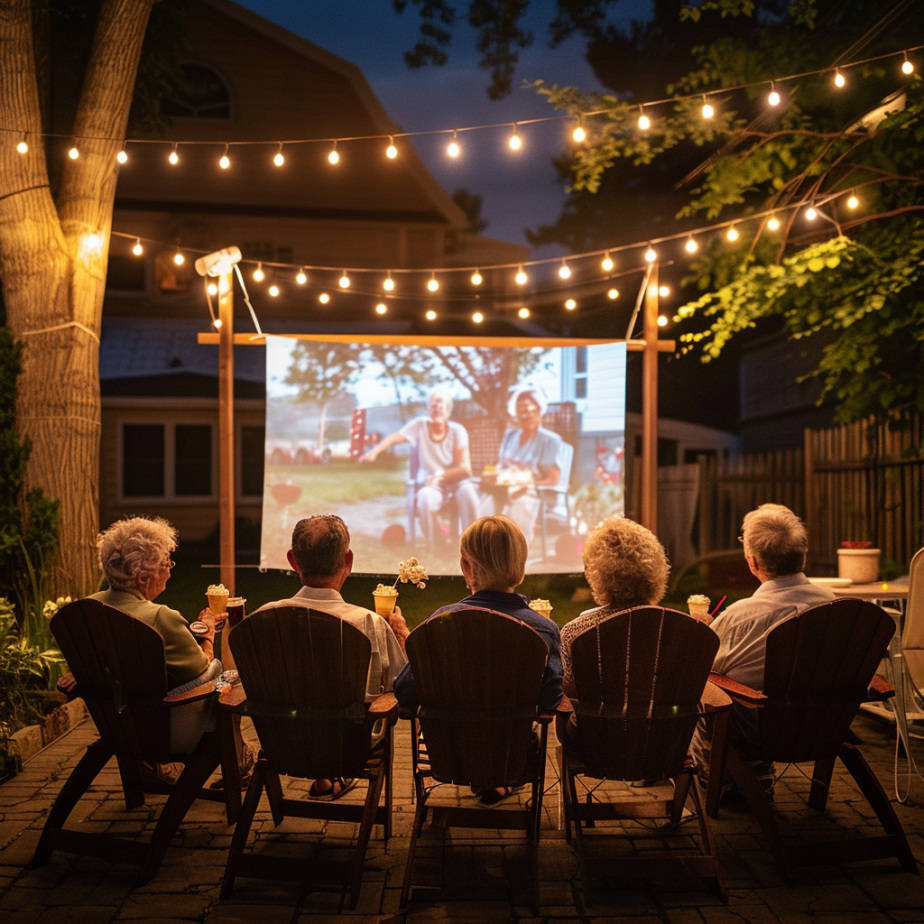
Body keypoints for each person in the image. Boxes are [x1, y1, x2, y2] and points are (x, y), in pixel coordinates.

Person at [394, 515, 563, 804]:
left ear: (466, 566)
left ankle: (490, 785)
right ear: (520, 567)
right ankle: (498, 783)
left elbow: (404, 691)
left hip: (448, 753)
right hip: (513, 756)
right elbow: (550, 701)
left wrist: (410, 644)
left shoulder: (440, 623)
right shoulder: (542, 629)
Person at [251, 514, 409, 800]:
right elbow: (402, 688)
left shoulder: (263, 619)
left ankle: (325, 781)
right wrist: (401, 637)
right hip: (351, 746)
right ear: (348, 561)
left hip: (283, 741)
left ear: (293, 560)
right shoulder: (369, 623)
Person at [693, 503, 835, 794]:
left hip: (760, 731)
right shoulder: (834, 606)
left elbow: (703, 669)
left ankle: (714, 778)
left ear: (753, 563)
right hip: (826, 726)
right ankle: (751, 774)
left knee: (699, 688)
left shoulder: (740, 617)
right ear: (803, 555)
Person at [91, 517, 223, 755]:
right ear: (142, 578)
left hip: (115, 728)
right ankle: (239, 762)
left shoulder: (87, 609)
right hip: (165, 734)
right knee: (225, 682)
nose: (170, 573)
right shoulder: (160, 618)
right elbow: (202, 671)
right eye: (166, 564)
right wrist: (208, 635)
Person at [559, 516, 670, 696]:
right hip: (665, 723)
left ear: (597, 573)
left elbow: (571, 691)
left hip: (599, 724)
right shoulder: (676, 628)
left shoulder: (576, 631)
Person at [360, 386, 479, 546]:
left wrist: (439, 476)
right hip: (432, 486)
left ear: (448, 410)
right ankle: (437, 545)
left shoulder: (458, 431)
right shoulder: (420, 426)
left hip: (456, 483)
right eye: (432, 404)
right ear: (428, 408)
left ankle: (471, 545)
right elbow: (395, 437)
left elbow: (465, 469)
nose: (436, 408)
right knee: (424, 498)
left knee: (469, 493)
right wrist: (374, 452)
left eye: (440, 404)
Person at [481, 385, 563, 543]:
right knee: (486, 505)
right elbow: (501, 468)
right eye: (522, 410)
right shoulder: (510, 436)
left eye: (531, 410)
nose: (527, 415)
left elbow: (553, 479)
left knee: (519, 502)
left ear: (539, 412)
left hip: (537, 493)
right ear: (516, 414)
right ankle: (490, 548)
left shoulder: (550, 440)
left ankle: (518, 550)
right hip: (504, 491)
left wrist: (527, 483)